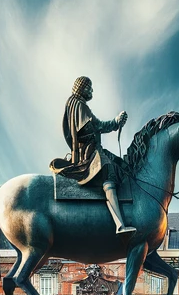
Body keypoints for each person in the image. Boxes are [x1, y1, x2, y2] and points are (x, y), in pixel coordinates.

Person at [49, 76, 135, 234]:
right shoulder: (80, 105)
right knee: (110, 171)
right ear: (82, 87)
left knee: (118, 164)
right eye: (89, 87)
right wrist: (115, 122)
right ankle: (120, 224)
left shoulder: (74, 104)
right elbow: (92, 127)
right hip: (89, 154)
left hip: (87, 150)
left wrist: (115, 123)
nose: (92, 91)